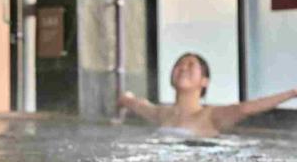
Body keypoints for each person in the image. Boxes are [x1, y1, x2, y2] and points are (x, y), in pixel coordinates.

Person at [118, 52, 297, 138]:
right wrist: (125, 99)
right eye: (179, 65)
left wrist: (293, 92)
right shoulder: (162, 113)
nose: (183, 68)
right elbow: (137, 103)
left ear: (204, 81)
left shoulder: (210, 116)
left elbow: (246, 108)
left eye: (191, 65)